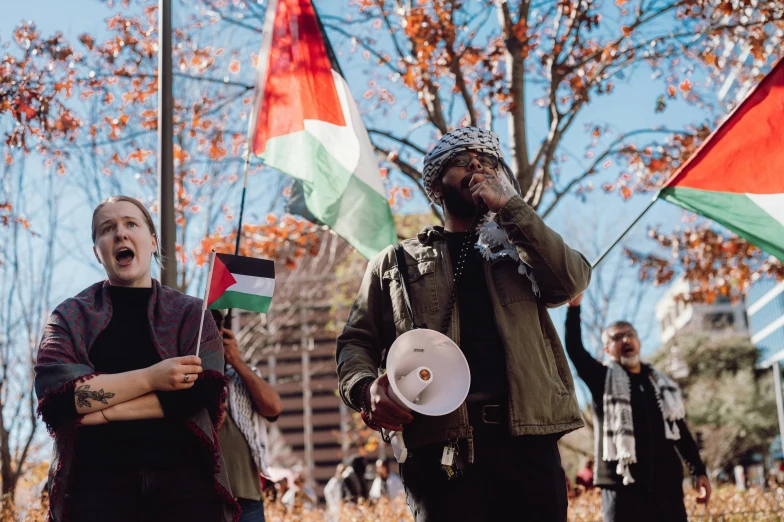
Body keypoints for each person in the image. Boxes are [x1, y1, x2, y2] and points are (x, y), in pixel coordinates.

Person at [336, 127, 592, 522]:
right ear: (436, 188)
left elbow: (571, 281)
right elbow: (356, 342)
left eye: (487, 161)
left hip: (528, 444)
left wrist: (511, 208)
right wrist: (366, 388)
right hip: (441, 451)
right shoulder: (394, 263)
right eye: (461, 160)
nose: (476, 164)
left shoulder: (524, 248)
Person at [34, 195, 238, 522]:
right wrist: (152, 378)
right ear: (96, 250)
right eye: (107, 228)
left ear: (153, 240)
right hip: (94, 489)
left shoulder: (191, 314)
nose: (120, 233)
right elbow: (58, 398)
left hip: (186, 488)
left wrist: (104, 413)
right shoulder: (69, 317)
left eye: (131, 223)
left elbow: (204, 391)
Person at [564, 293, 711, 522]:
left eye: (630, 335)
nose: (625, 340)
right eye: (617, 337)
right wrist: (574, 308)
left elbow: (679, 430)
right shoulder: (601, 378)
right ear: (607, 350)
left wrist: (699, 471)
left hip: (667, 490)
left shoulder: (660, 384)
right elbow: (574, 349)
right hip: (622, 490)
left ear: (639, 342)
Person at [213, 309, 283, 522]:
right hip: (204, 498)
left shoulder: (243, 374)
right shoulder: (187, 375)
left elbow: (274, 407)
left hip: (248, 499)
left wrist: (236, 361)